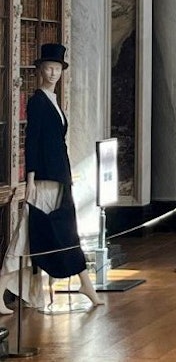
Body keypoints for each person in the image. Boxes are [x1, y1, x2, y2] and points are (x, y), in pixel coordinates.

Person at [0, 43, 104, 312]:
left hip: (59, 176)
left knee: (60, 229)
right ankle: (2, 287)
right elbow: (31, 141)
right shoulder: (36, 102)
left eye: (57, 68)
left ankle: (84, 283)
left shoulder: (54, 101)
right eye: (48, 68)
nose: (53, 73)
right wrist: (31, 177)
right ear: (39, 71)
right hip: (45, 178)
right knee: (31, 232)